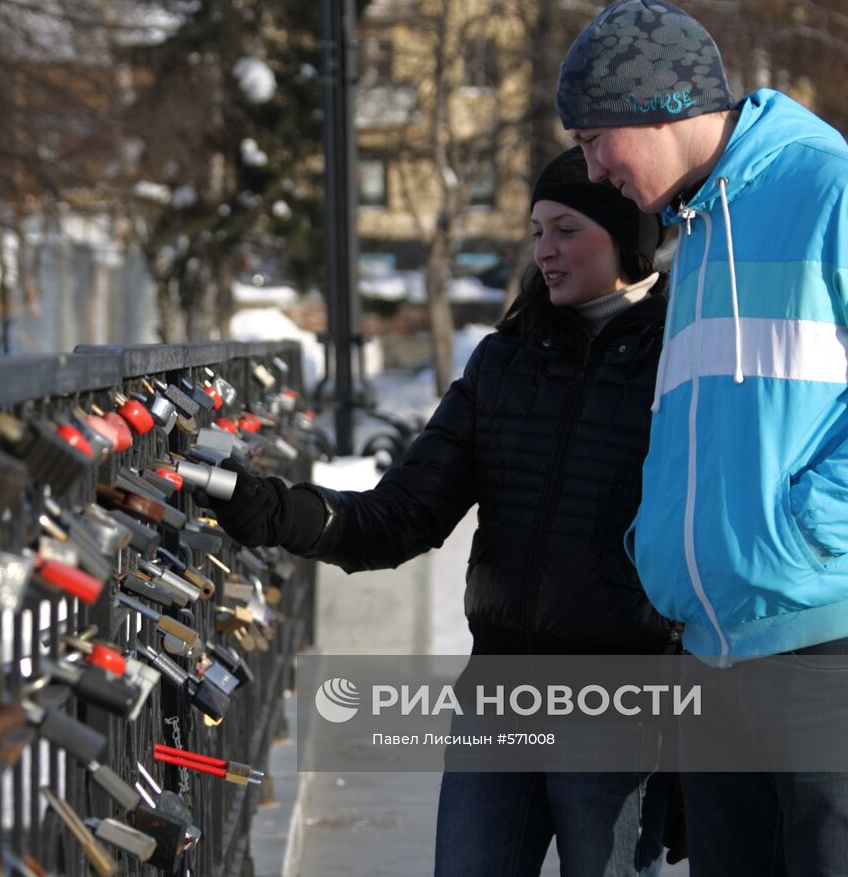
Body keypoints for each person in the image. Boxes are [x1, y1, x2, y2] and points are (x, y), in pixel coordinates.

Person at [556, 0, 848, 876]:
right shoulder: (699, 237)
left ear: (661, 106)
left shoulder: (840, 193)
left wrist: (802, 533)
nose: (592, 165)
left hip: (838, 652)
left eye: (595, 134)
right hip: (721, 659)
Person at [206, 146, 681, 876]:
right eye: (535, 231)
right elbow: (401, 515)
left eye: (564, 229)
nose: (543, 251)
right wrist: (264, 508)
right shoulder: (503, 363)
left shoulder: (680, 365)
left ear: (628, 240)